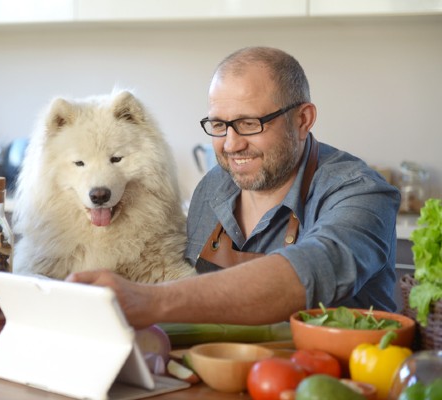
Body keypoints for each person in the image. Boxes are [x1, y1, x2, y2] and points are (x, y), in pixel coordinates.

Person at [67, 46, 400, 329]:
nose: (230, 144)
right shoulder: (213, 188)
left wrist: (150, 300)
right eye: (218, 125)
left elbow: (312, 269)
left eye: (248, 123)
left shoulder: (361, 193)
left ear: (302, 120)